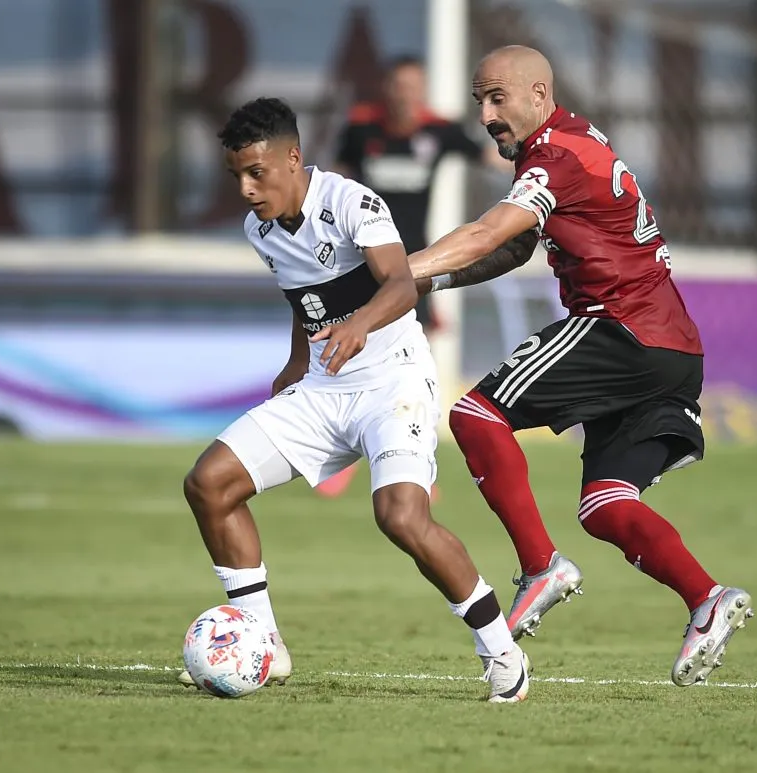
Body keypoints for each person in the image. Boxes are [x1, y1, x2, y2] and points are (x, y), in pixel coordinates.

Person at [408, 46, 754, 687]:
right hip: (675, 352)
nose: (485, 114)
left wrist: (398, 272)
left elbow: (488, 232)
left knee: (474, 414)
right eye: (479, 101)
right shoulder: (569, 144)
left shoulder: (556, 154)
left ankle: (540, 566)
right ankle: (707, 599)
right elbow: (510, 251)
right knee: (605, 505)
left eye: (496, 98)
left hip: (621, 329)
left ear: (539, 94)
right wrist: (427, 285)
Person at [176, 97, 530, 703]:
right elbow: (304, 300)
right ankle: (264, 641)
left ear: (293, 158)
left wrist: (360, 323)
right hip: (322, 387)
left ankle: (502, 652)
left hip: (392, 382)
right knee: (209, 484)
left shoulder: (351, 201)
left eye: (256, 172)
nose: (246, 188)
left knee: (400, 517)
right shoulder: (258, 229)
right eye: (236, 175)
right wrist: (293, 366)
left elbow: (400, 283)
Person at [318, 55, 507, 498]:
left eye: (414, 86)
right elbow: (333, 181)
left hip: (413, 267)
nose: (406, 94)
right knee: (349, 352)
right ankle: (340, 458)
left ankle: (413, 459)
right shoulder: (363, 129)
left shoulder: (438, 131)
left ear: (422, 91)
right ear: (387, 88)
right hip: (359, 263)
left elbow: (492, 158)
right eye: (399, 85)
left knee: (408, 358)